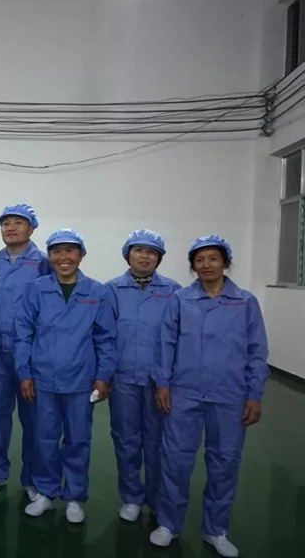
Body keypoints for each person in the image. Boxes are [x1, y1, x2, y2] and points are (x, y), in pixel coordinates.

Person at [149, 236, 269, 558]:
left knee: (224, 462)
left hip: (230, 395)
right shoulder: (180, 300)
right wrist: (163, 383)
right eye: (199, 260)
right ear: (192, 266)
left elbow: (257, 351)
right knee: (175, 460)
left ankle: (216, 529)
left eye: (213, 259)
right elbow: (166, 343)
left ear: (225, 263)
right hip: (184, 392)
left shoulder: (245, 302)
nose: (206, 265)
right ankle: (169, 523)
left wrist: (254, 393)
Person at [14, 228, 117, 524]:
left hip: (80, 380)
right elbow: (23, 334)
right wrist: (24, 373)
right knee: (44, 438)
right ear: (49, 257)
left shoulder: (96, 292)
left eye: (70, 251)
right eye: (57, 251)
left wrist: (103, 376)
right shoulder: (36, 290)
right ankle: (46, 492)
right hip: (43, 378)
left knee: (77, 440)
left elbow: (106, 338)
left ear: (81, 255)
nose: (64, 257)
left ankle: (73, 496)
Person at [103, 229, 181, 522]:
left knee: (158, 441)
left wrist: (167, 378)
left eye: (151, 252)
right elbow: (104, 336)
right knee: (126, 440)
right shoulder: (112, 290)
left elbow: (177, 337)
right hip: (123, 378)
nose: (145, 256)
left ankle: (158, 497)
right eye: (138, 250)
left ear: (159, 258)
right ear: (128, 255)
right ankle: (131, 497)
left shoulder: (173, 291)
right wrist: (104, 375)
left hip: (160, 381)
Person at [0, 204, 51, 501]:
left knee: (33, 420)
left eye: (18, 223)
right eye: (6, 223)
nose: (11, 228)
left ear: (31, 228)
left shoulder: (43, 264)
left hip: (31, 355)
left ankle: (32, 478)